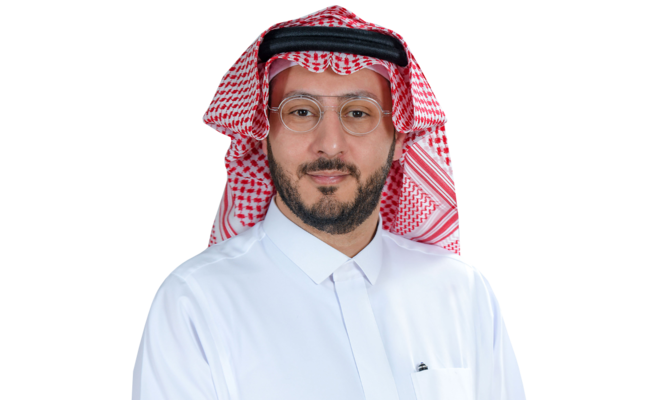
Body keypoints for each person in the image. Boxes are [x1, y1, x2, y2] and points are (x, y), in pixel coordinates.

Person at [130, 5, 526, 400]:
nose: (331, 145)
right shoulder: (194, 303)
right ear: (261, 132)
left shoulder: (463, 292)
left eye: (358, 113)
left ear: (400, 137)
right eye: (301, 112)